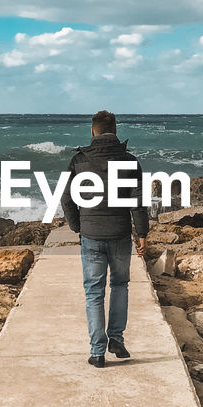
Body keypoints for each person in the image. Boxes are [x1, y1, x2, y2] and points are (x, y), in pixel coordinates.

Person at [60, 110, 149, 367]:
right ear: (116, 130)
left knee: (94, 292)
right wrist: (142, 233)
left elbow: (66, 198)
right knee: (120, 286)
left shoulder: (79, 161)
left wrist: (78, 226)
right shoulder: (129, 161)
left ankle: (97, 352)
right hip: (120, 234)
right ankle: (116, 338)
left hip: (92, 235)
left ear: (92, 131)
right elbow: (138, 201)